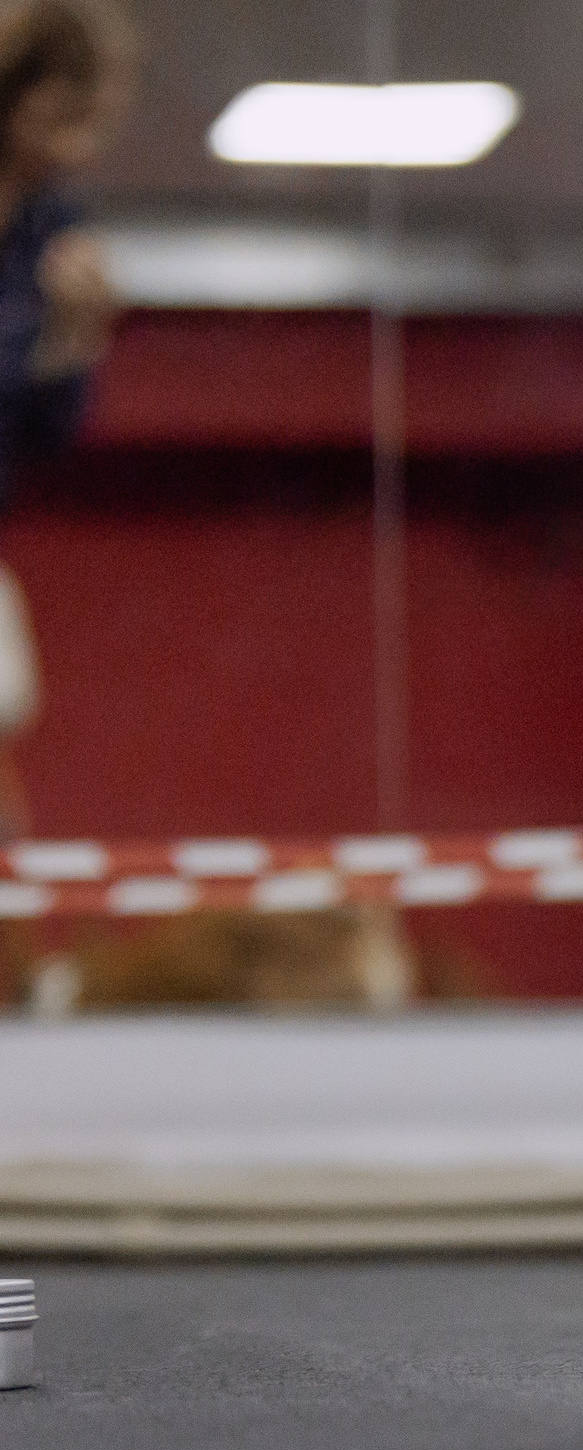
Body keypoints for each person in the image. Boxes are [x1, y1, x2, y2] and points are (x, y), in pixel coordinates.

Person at [0, 0, 129, 841]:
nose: (79, 145)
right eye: (66, 114)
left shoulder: (55, 228)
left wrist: (73, 342)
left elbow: (47, 436)